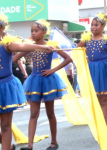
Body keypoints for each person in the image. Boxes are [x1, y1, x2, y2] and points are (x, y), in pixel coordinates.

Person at [15, 19, 71, 150]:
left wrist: (52, 70)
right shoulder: (31, 46)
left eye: (36, 30)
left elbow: (69, 58)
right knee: (33, 114)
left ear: (44, 32)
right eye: (31, 31)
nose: (33, 33)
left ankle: (54, 142)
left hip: (47, 81)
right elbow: (14, 58)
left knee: (50, 113)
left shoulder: (51, 45)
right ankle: (30, 145)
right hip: (34, 81)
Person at [0, 13, 54, 150]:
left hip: (5, 86)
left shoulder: (8, 44)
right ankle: (9, 146)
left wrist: (42, 47)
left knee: (6, 126)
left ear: (2, 28)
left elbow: (23, 48)